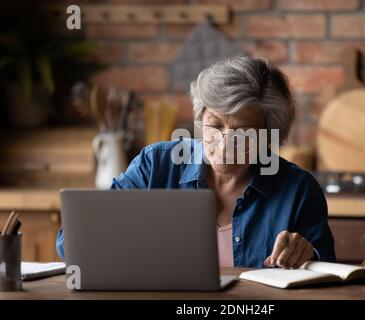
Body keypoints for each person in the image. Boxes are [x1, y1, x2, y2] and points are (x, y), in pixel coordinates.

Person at [56, 56, 335, 268]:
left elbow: (328, 275)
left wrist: (308, 254)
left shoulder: (298, 190)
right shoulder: (155, 166)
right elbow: (69, 242)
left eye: (243, 132)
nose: (225, 144)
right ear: (200, 119)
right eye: (214, 126)